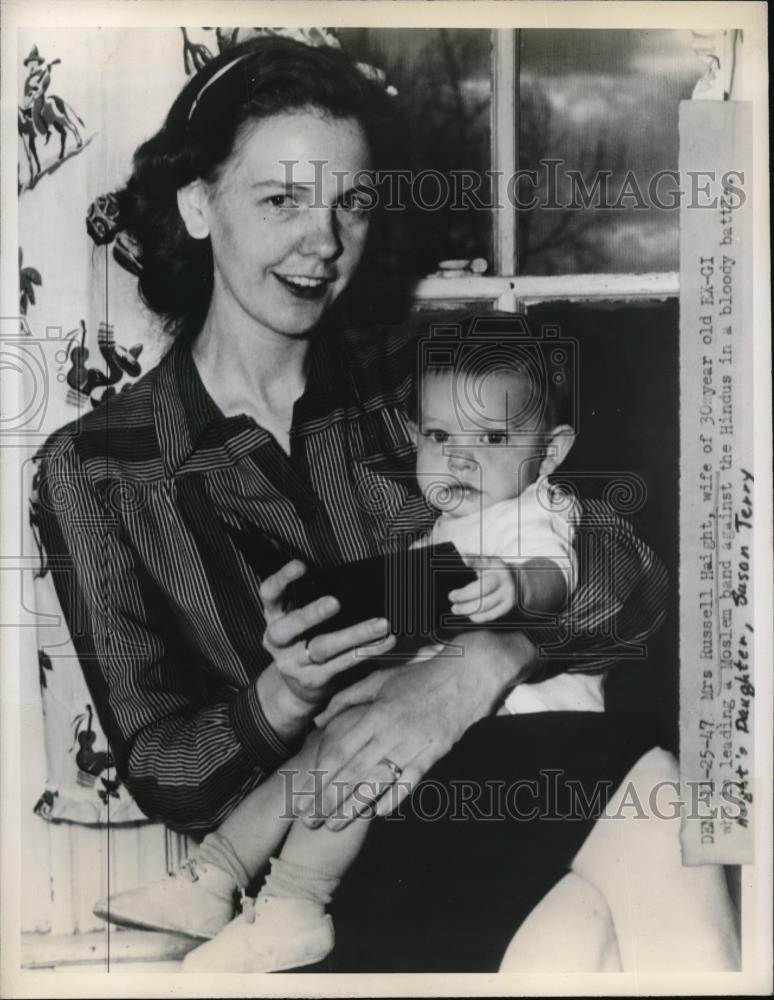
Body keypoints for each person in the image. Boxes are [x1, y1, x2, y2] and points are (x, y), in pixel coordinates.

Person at [35, 35, 670, 972]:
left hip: (530, 786)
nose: (323, 241)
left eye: (351, 203)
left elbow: (635, 580)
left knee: (628, 862)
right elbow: (164, 768)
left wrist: (486, 660)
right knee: (633, 878)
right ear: (198, 204)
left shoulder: (422, 377)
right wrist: (280, 696)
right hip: (337, 880)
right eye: (282, 198)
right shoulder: (95, 466)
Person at [95, 330, 608, 973]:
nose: (462, 461)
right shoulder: (441, 528)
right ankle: (214, 876)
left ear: (551, 452)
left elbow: (555, 576)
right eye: (440, 438)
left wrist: (515, 583)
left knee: (358, 755)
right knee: (330, 737)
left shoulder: (541, 507)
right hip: (441, 720)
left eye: (495, 440)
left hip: (532, 733)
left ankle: (294, 906)